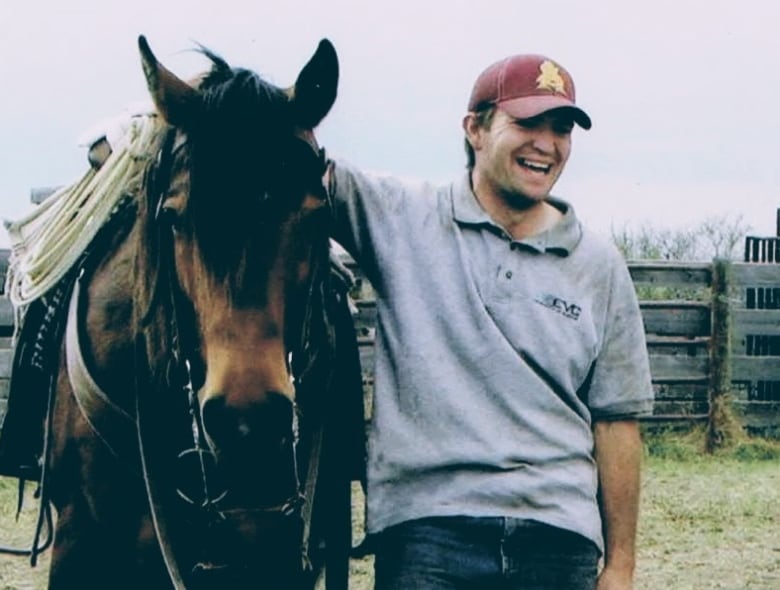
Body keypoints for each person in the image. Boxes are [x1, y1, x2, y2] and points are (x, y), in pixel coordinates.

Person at [328, 52, 654, 590]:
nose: (546, 144)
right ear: (475, 129)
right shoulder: (400, 216)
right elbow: (292, 160)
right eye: (526, 123)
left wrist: (620, 566)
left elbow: (617, 420)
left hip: (558, 531)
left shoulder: (598, 264)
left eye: (562, 129)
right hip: (428, 528)